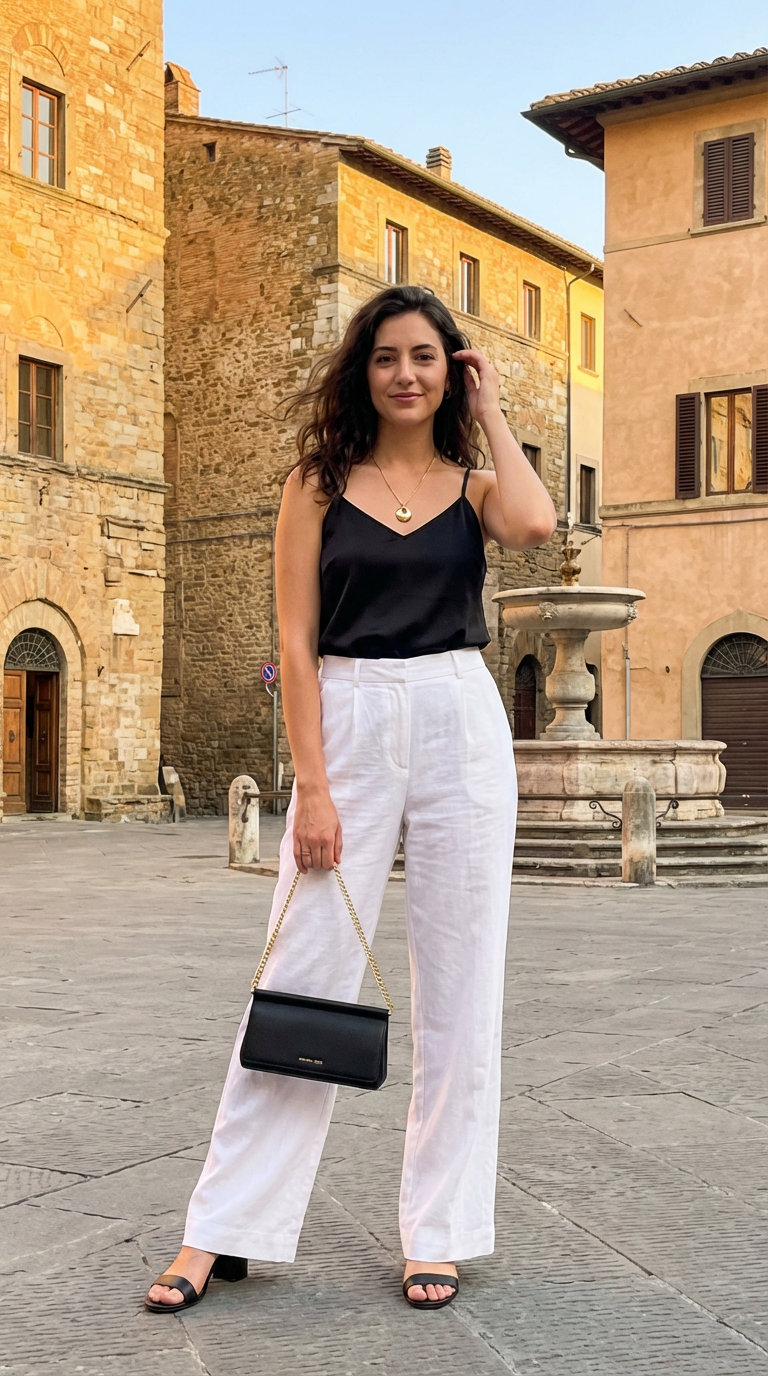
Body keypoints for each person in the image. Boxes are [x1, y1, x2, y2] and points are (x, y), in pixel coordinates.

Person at [145, 284, 557, 1315]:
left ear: (448, 368)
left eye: (426, 356)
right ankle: (220, 1225)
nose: (405, 373)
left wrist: (494, 405)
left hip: (462, 714)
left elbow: (538, 523)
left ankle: (442, 1228)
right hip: (354, 710)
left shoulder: (471, 488)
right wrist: (314, 790)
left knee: (465, 988)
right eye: (386, 357)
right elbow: (292, 644)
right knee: (303, 973)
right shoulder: (317, 483)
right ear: (361, 371)